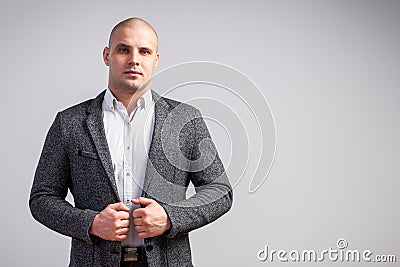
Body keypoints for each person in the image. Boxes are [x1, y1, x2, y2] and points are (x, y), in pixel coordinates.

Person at [29, 17, 233, 267]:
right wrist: (91, 223)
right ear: (107, 55)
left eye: (144, 51)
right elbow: (42, 198)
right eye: (123, 49)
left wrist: (170, 217)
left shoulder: (184, 120)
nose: (134, 59)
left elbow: (220, 191)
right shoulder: (69, 123)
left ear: (156, 60)